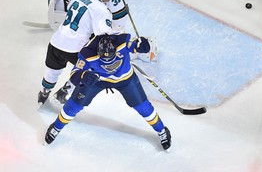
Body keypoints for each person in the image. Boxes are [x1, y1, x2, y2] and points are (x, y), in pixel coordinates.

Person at [44, 33, 172, 151]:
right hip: (97, 80)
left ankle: (161, 130)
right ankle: (56, 127)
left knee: (143, 107)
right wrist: (83, 75)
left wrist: (143, 45)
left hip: (125, 79)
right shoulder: (87, 53)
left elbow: (135, 44)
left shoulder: (122, 42)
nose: (107, 61)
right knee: (74, 105)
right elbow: (74, 73)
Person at [38, 0, 114, 107]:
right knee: (92, 69)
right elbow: (104, 36)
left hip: (55, 42)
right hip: (74, 49)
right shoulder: (102, 10)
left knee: (52, 72)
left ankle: (43, 94)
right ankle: (65, 91)